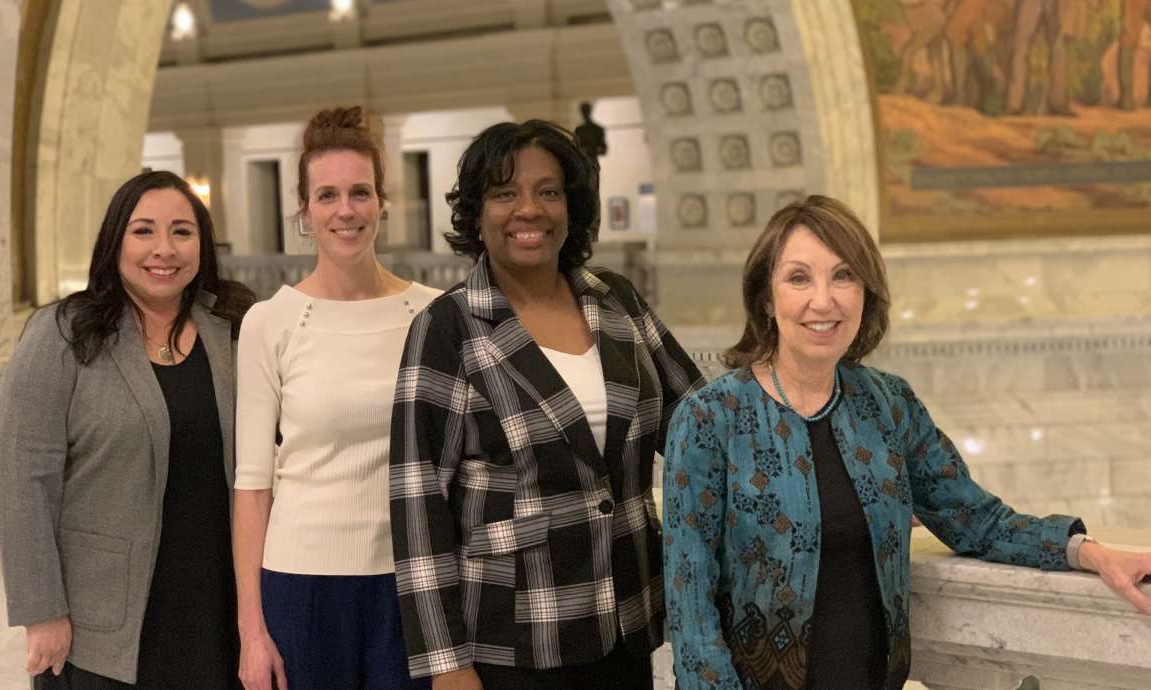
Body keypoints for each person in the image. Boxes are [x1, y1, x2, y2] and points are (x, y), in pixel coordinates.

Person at [661, 195, 1151, 690]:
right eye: (799, 278)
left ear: (866, 292)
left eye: (844, 275)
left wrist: (1088, 552)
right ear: (767, 298)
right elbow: (690, 605)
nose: (824, 300)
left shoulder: (890, 405)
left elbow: (977, 521)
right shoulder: (710, 419)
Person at [389, 119, 704, 690]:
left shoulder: (615, 301)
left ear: (571, 207)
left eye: (549, 191)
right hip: (514, 644)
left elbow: (701, 424)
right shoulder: (446, 327)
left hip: (626, 624)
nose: (528, 209)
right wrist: (447, 664)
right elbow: (418, 503)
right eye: (504, 193)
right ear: (477, 215)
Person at [0, 170, 255, 688]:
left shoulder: (235, 326)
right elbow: (21, 477)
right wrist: (42, 611)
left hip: (218, 608)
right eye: (143, 231)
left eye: (182, 231)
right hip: (103, 624)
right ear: (115, 240)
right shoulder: (64, 332)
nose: (164, 249)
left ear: (203, 242)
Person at [233, 106, 440, 690]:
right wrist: (252, 631)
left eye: (359, 192)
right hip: (301, 586)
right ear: (304, 211)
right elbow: (252, 488)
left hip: (411, 582)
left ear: (382, 203)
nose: (344, 210)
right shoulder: (269, 322)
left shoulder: (431, 314)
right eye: (326, 195)